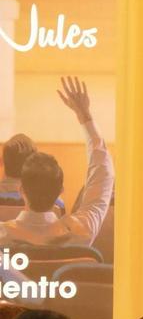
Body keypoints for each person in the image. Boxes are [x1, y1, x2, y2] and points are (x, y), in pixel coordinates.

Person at [0, 77, 113, 246]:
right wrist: (85, 117)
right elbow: (103, 173)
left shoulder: (3, 236)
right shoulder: (82, 232)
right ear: (61, 190)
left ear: (21, 190)